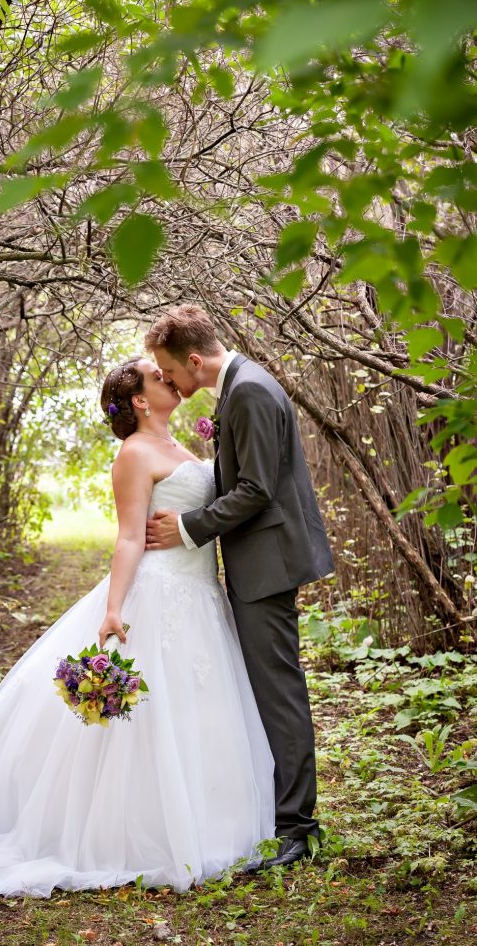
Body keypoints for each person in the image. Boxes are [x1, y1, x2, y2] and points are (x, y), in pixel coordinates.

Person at [0, 355, 276, 898]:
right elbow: (129, 536)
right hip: (161, 590)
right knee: (148, 713)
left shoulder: (177, 445)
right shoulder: (134, 453)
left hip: (200, 592)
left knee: (201, 709)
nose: (170, 378)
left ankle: (213, 820)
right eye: (158, 376)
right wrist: (114, 608)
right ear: (141, 401)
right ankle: (137, 833)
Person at [144, 305, 335, 869]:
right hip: (262, 560)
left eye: (168, 370)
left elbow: (255, 489)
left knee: (278, 692)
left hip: (268, 564)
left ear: (193, 360)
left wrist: (187, 527)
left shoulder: (248, 390)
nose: (169, 381)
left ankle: (296, 829)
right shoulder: (242, 385)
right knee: (271, 688)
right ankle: (282, 815)